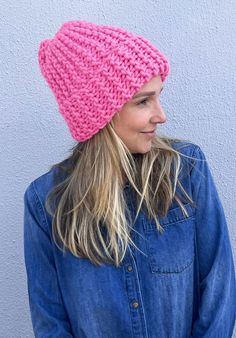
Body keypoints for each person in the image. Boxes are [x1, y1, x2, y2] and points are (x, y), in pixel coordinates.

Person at [23, 20, 236, 338]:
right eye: (143, 101)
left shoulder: (185, 171)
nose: (160, 115)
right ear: (101, 114)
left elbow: (218, 289)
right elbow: (50, 322)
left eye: (158, 96)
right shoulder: (46, 204)